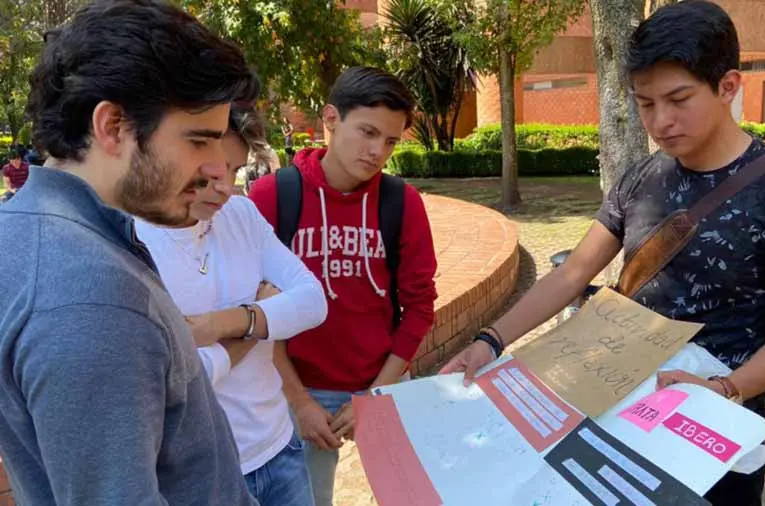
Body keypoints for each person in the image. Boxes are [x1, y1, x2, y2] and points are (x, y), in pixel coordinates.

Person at [441, 2, 765, 505]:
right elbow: (572, 274)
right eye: (646, 103)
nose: (660, 121)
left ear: (728, 86)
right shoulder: (643, 178)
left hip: (712, 432)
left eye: (678, 99)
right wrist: (489, 342)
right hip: (621, 413)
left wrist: (724, 388)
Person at [0, 1, 261, 504]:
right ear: (113, 126)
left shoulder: (28, 231)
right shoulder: (90, 297)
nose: (218, 169)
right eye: (200, 141)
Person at [248, 66, 438, 506]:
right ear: (331, 118)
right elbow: (258, 313)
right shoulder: (273, 196)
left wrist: (375, 393)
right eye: (368, 132)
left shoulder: (401, 202)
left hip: (384, 380)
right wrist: (298, 401)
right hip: (300, 387)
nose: (377, 152)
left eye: (390, 141)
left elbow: (419, 307)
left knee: (413, 496)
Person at [136, 105, 327, 506]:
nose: (225, 187)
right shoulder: (135, 240)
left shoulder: (241, 215)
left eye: (235, 170)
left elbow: (313, 301)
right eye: (214, 169)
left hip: (279, 448)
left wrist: (223, 323)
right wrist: (263, 318)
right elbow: (178, 383)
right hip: (204, 476)